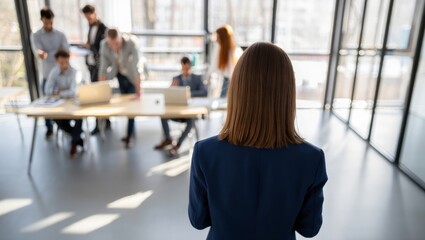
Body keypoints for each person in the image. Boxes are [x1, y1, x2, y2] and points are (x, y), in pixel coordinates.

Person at [188, 42, 328, 239]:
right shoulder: (311, 158)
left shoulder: (205, 152)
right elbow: (309, 228)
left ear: (237, 90)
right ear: (288, 93)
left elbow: (198, 220)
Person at [154, 57, 207, 156]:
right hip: (177, 111)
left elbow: (204, 92)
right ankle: (168, 139)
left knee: (190, 121)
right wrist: (172, 88)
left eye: (187, 68)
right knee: (162, 115)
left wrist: (189, 93)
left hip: (189, 113)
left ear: (190, 67)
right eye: (183, 69)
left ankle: (177, 144)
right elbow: (169, 94)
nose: (185, 71)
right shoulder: (176, 79)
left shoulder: (197, 78)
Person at [99, 28, 141, 148]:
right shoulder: (104, 45)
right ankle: (131, 132)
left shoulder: (131, 43)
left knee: (132, 105)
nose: (114, 47)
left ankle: (129, 136)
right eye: (111, 44)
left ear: (121, 38)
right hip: (119, 74)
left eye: (116, 44)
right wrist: (101, 91)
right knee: (126, 104)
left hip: (132, 76)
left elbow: (136, 68)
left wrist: (139, 92)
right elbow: (103, 68)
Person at [32, 7, 69, 138]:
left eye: (51, 22)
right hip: (47, 74)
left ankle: (65, 127)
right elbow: (41, 55)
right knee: (47, 103)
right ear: (41, 20)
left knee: (65, 101)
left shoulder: (60, 34)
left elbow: (65, 53)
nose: (49, 24)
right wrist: (56, 52)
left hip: (61, 75)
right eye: (46, 22)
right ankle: (49, 128)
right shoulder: (36, 35)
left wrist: (51, 53)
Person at [45, 50, 83, 157]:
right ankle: (77, 138)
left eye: (66, 62)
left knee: (80, 117)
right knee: (55, 116)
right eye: (61, 62)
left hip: (74, 103)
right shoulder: (54, 72)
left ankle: (74, 143)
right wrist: (62, 92)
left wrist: (59, 91)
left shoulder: (75, 72)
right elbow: (47, 89)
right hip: (60, 104)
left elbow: (73, 91)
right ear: (57, 61)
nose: (64, 64)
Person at [81, 4, 111, 135]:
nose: (88, 20)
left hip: (100, 68)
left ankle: (100, 125)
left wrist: (89, 46)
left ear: (95, 13)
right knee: (98, 94)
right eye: (86, 18)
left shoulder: (104, 29)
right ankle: (106, 122)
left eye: (89, 17)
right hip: (92, 66)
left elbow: (103, 49)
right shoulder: (90, 27)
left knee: (98, 96)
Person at [210, 24, 243, 98]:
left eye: (218, 37)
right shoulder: (219, 48)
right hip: (222, 80)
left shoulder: (235, 51)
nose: (216, 40)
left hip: (231, 81)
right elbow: (214, 67)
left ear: (223, 38)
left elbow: (232, 73)